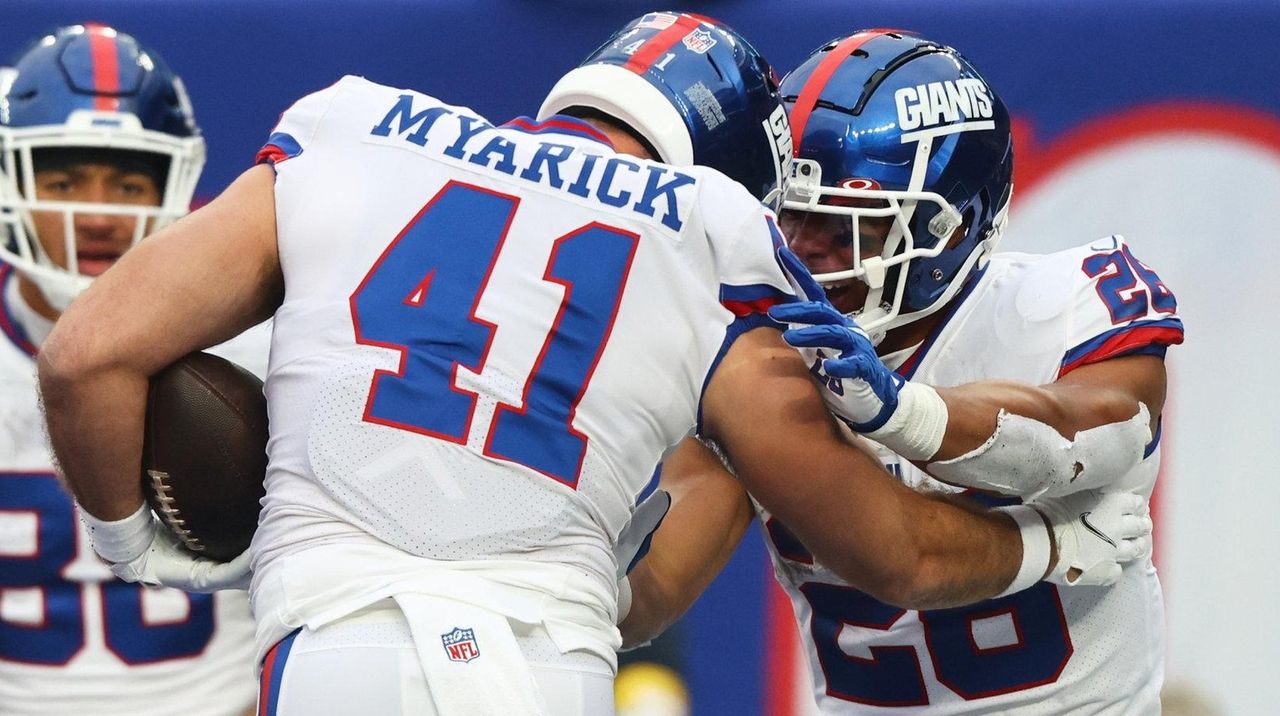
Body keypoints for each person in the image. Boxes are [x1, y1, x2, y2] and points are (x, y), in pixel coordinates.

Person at [37, 14, 1148, 716]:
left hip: (336, 636)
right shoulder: (711, 234)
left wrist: (134, 543)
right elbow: (888, 553)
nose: (810, 249)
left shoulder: (352, 126)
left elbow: (88, 351)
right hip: (546, 666)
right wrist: (1049, 542)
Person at [764, 30, 1180, 712]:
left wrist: (900, 411)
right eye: (787, 220)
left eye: (842, 231)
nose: (804, 260)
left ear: (953, 229)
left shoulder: (1061, 305)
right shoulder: (761, 347)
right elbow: (672, 558)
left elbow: (1093, 429)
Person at [0, 24, 264, 716]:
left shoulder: (256, 342)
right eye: (62, 179)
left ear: (175, 188)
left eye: (125, 180)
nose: (96, 213)